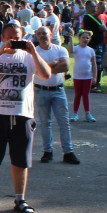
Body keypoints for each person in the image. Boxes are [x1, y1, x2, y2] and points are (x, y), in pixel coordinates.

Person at [0, 21, 51, 213]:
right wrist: (0, 52)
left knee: (21, 161)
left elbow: (46, 74)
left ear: (23, 36)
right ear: (2, 37)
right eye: (9, 36)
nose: (13, 40)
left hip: (22, 116)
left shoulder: (28, 57)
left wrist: (34, 52)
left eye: (16, 37)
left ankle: (20, 199)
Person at [33, 27, 79, 165]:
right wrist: (53, 63)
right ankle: (47, 151)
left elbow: (65, 66)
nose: (42, 36)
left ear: (51, 34)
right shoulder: (34, 52)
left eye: (44, 33)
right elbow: (35, 70)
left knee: (63, 122)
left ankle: (68, 152)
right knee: (45, 122)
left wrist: (45, 68)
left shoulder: (60, 50)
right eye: (39, 34)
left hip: (58, 90)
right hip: (40, 90)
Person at [70, 31, 97, 122]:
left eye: (87, 38)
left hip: (88, 76)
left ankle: (87, 113)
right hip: (77, 76)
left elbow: (94, 64)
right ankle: (75, 113)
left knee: (86, 95)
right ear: (79, 38)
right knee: (78, 94)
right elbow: (70, 50)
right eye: (84, 37)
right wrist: (70, 38)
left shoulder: (91, 50)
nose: (85, 39)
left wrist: (94, 76)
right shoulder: (76, 48)